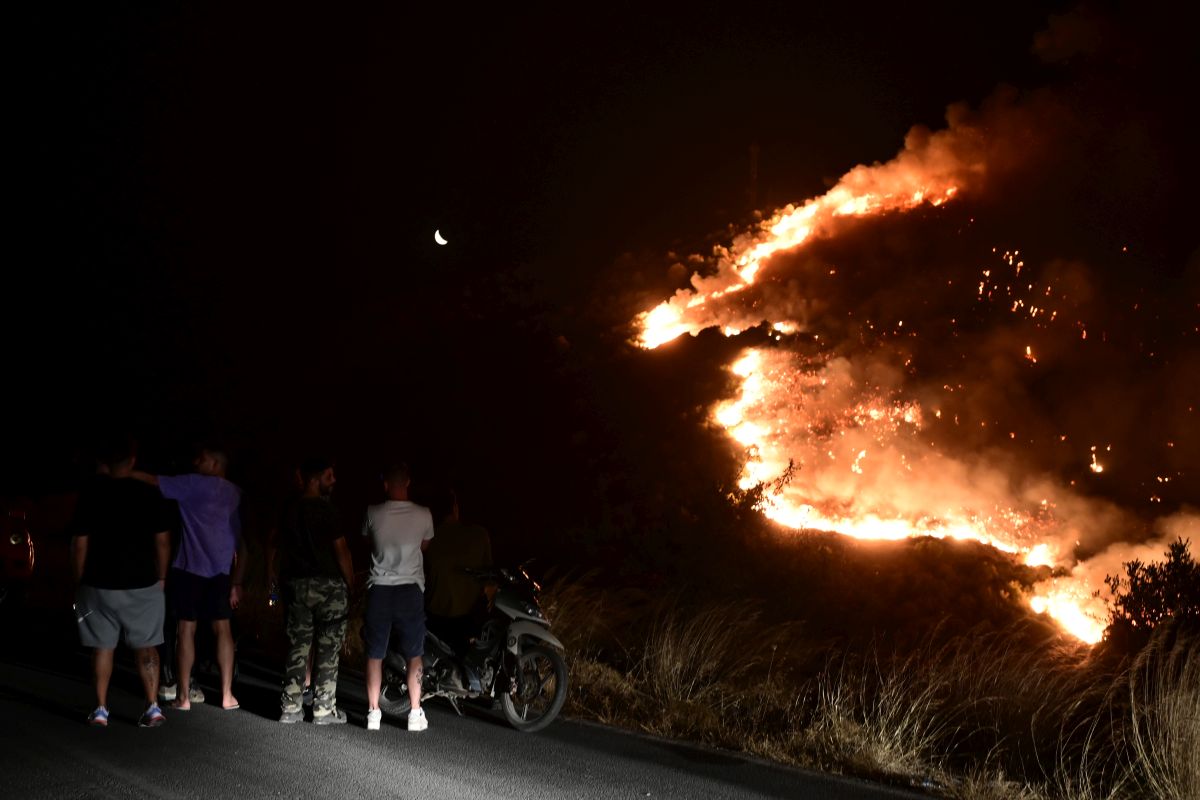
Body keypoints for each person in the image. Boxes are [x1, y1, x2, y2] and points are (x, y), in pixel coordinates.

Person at [132, 446, 247, 711]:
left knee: (186, 629)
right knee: (223, 629)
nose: (196, 461)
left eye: (202, 458)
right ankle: (227, 695)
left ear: (216, 463)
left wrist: (127, 472)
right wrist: (237, 581)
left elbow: (154, 481)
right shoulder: (236, 494)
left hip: (189, 568)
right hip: (222, 572)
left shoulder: (193, 483)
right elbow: (243, 543)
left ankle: (183, 697)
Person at [70, 438, 171, 727]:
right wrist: (162, 576)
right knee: (147, 646)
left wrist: (79, 580)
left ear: (104, 461)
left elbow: (79, 543)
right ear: (132, 460)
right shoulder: (149, 493)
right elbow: (163, 541)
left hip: (98, 583)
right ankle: (152, 707)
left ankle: (101, 709)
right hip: (143, 582)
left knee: (102, 647)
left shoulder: (91, 492)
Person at [274, 457, 354, 724]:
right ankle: (323, 709)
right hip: (329, 586)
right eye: (329, 476)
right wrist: (350, 584)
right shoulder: (327, 510)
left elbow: (275, 544)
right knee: (328, 648)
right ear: (314, 478)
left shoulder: (290, 508)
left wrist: (274, 577)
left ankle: (290, 706)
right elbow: (341, 551)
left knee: (298, 646)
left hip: (296, 584)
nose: (334, 481)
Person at [362, 463, 434, 732]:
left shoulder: (372, 512)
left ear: (385, 485)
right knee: (415, 653)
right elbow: (424, 546)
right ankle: (414, 713)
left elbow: (368, 542)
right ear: (408, 482)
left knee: (375, 653)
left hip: (379, 589)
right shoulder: (424, 514)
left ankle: (373, 713)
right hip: (410, 590)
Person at [425, 488, 492, 660]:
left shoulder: (428, 540)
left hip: (436, 618)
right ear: (455, 508)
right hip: (469, 619)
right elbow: (489, 578)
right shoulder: (479, 534)